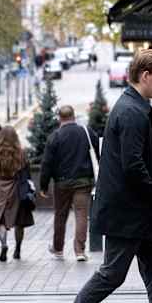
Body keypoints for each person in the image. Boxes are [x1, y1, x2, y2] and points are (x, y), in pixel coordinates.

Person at [40, 49, 152, 303]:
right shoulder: (131, 111)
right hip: (128, 213)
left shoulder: (137, 106)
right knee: (111, 275)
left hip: (138, 213)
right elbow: (132, 165)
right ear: (145, 76)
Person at [39, 105, 100, 261]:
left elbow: (47, 163)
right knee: (81, 215)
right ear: (74, 116)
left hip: (62, 184)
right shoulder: (87, 132)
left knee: (60, 215)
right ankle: (79, 251)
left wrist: (43, 185)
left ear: (60, 118)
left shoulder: (55, 136)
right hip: (83, 182)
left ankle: (58, 249)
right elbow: (97, 154)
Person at [0, 126, 35, 261]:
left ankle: (4, 244)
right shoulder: (21, 153)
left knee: (1, 220)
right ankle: (18, 248)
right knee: (19, 221)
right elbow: (26, 173)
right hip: (16, 189)